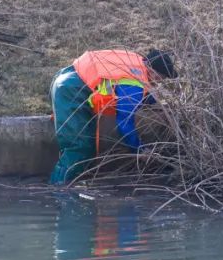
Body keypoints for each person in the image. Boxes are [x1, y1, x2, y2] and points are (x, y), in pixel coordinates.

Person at [49, 48, 177, 185]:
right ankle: (58, 190)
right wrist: (141, 150)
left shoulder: (133, 65)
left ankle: (66, 184)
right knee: (80, 147)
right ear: (152, 71)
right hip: (70, 90)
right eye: (160, 78)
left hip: (67, 79)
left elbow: (132, 96)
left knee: (85, 144)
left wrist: (158, 104)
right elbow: (125, 123)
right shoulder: (134, 80)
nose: (158, 83)